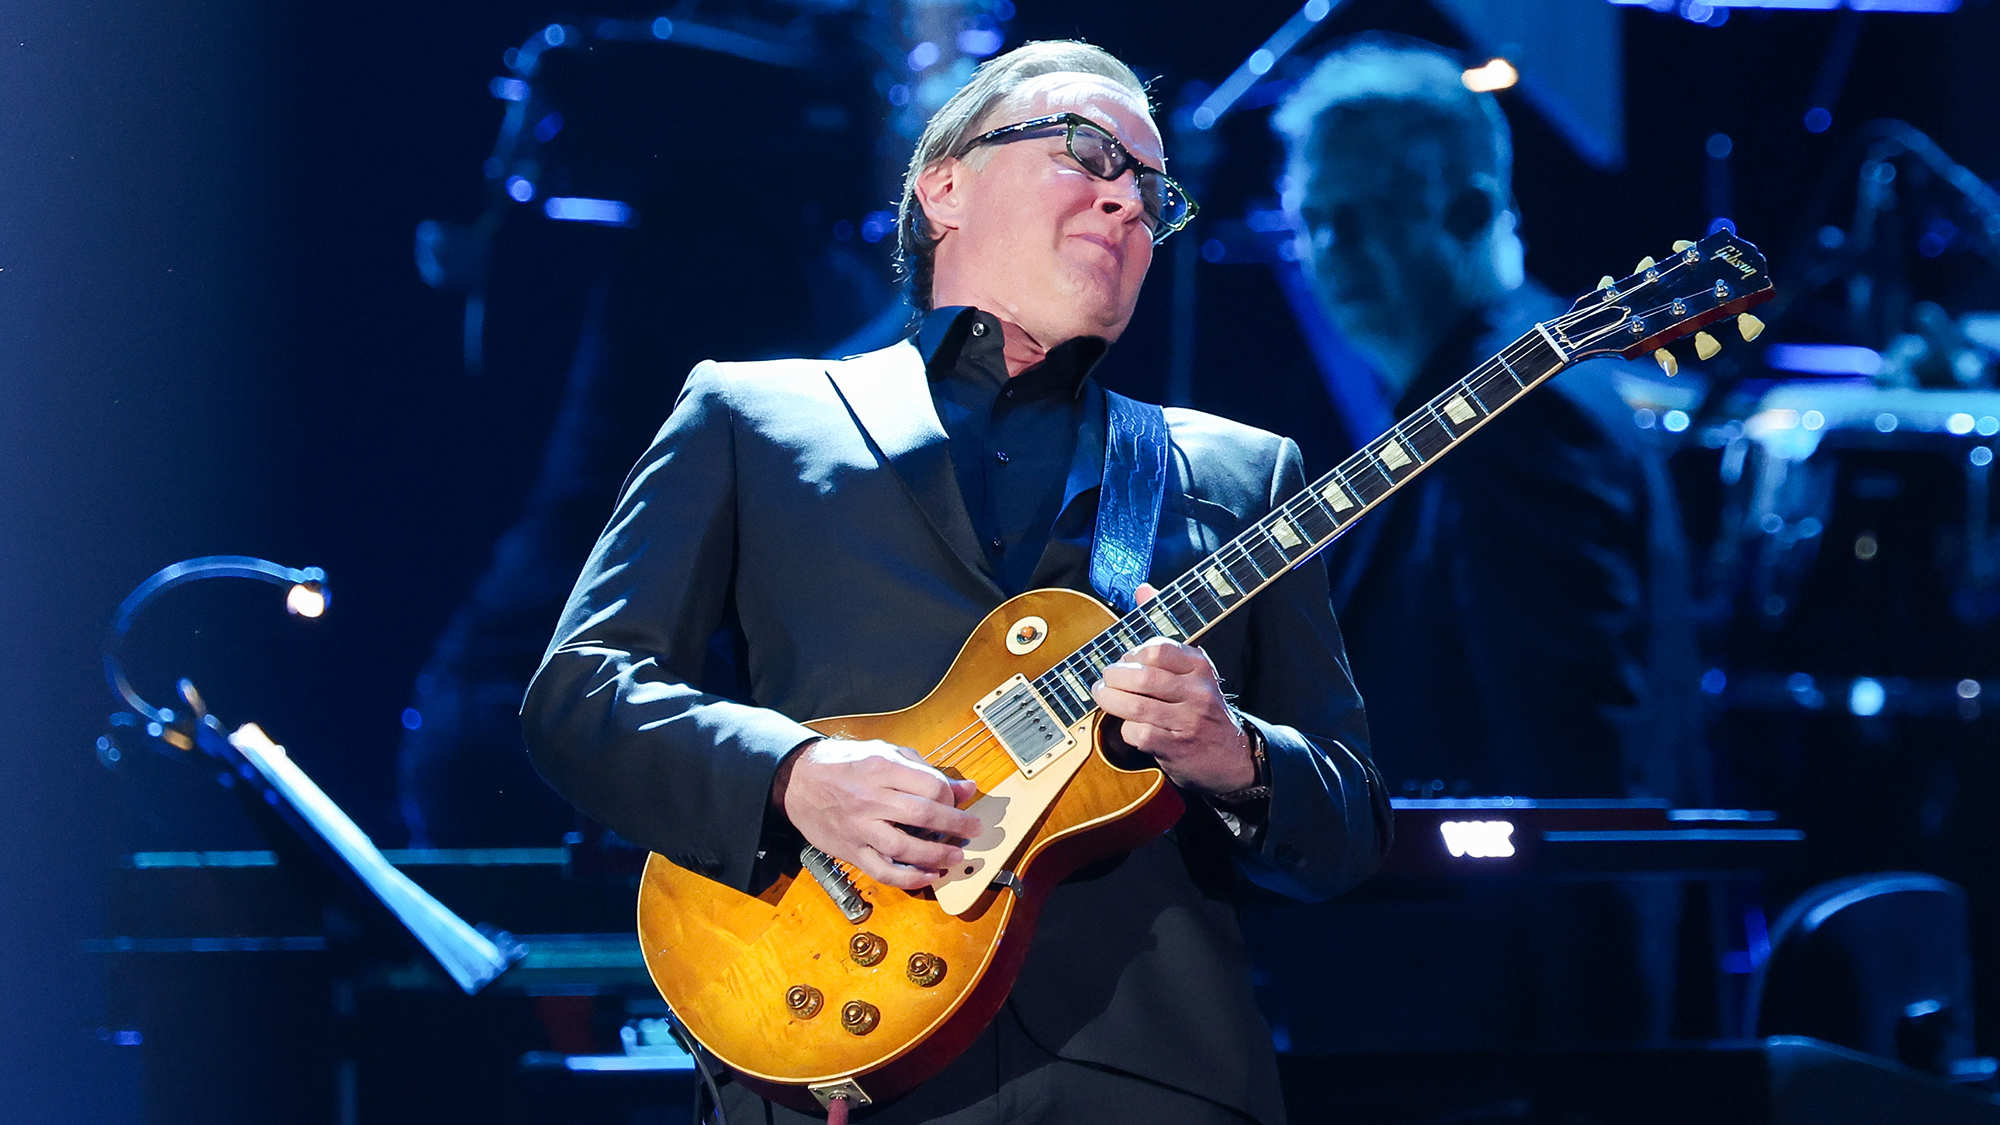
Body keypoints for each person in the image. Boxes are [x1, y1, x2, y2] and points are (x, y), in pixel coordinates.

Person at [521, 40, 1389, 1124]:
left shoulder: (1236, 469)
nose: (1127, 202)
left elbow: (1349, 826)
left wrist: (1240, 758)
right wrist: (790, 775)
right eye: (1088, 153)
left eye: (1154, 191)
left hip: (1145, 1074)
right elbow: (580, 695)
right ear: (943, 184)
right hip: (827, 1053)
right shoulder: (752, 416)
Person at [1259, 35, 1711, 1049]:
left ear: (1466, 210)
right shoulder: (1486, 396)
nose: (1332, 256)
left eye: (1366, 217)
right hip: (1453, 1010)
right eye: (1312, 225)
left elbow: (1575, 760)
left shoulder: (1519, 417)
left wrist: (1598, 1069)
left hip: (1490, 1033)